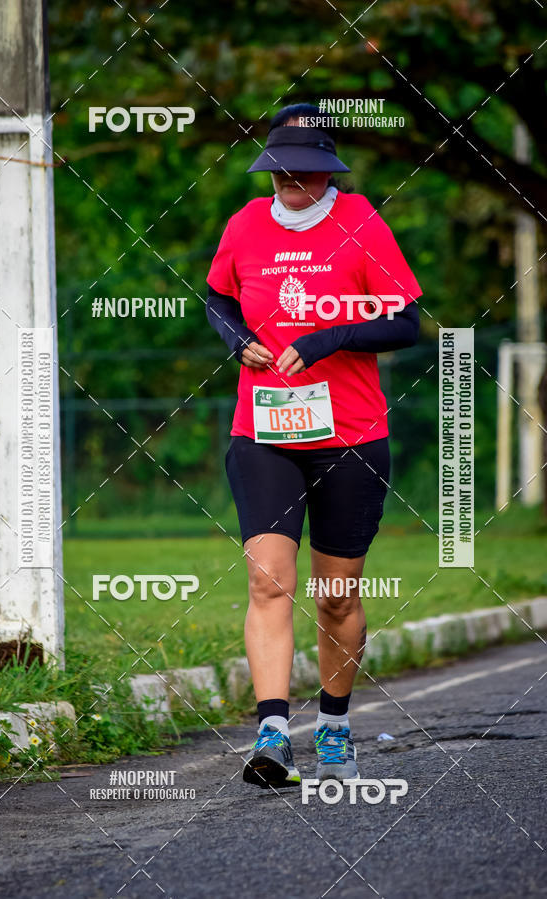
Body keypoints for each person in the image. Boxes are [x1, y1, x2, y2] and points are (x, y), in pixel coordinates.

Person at [206, 103, 422, 788]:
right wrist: (237, 339)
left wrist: (329, 337)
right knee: (269, 579)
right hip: (264, 430)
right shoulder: (244, 224)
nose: (295, 183)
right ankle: (273, 733)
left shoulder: (359, 221)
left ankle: (332, 723)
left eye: (309, 171)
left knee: (335, 593)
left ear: (329, 171)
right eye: (284, 171)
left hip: (350, 435)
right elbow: (217, 298)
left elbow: (405, 321)